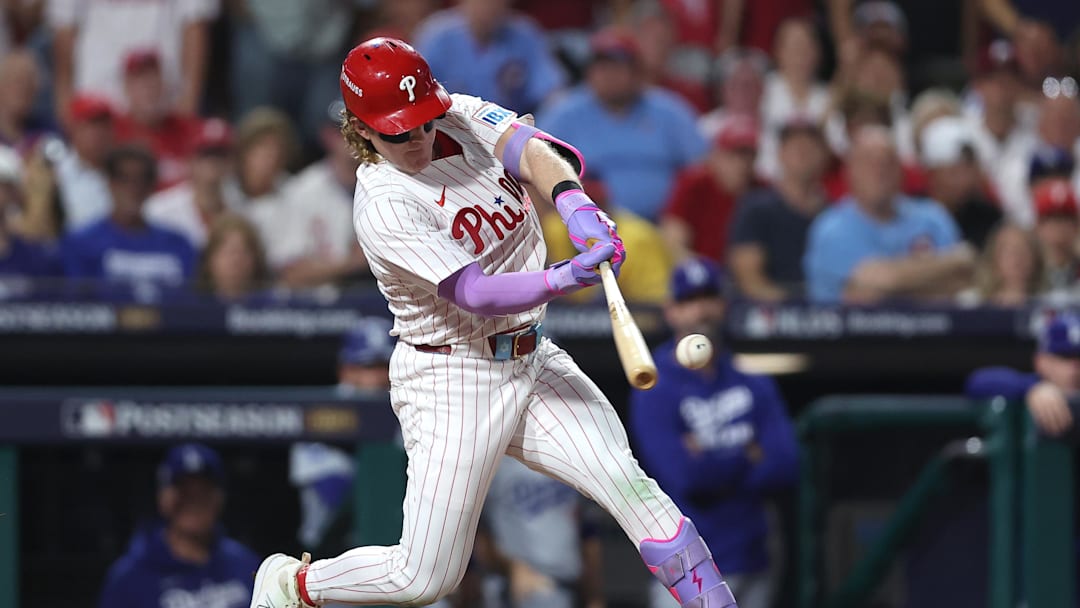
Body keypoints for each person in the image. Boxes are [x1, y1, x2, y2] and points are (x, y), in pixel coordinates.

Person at [248, 37, 739, 608]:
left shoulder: (450, 112)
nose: (417, 139)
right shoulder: (383, 201)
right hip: (453, 377)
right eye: (396, 131)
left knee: (633, 490)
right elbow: (474, 292)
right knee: (424, 579)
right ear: (360, 128)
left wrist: (573, 203)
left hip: (532, 357)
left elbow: (533, 147)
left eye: (422, 122)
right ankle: (295, 585)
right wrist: (563, 277)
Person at [630, 257, 799, 608]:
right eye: (689, 301)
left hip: (753, 558)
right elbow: (687, 476)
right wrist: (747, 452)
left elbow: (784, 465)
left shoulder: (752, 381)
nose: (700, 310)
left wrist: (711, 458)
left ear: (722, 305)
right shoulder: (653, 384)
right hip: (686, 571)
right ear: (672, 311)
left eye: (708, 297)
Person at [539, 27, 707, 222]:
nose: (609, 75)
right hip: (587, 227)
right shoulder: (564, 113)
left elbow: (703, 167)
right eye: (602, 67)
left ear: (637, 72)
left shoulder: (667, 111)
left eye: (617, 67)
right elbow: (531, 168)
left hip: (664, 229)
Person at [804, 126, 974, 303]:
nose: (879, 171)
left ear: (901, 170)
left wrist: (892, 285)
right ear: (849, 172)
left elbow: (965, 269)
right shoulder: (830, 229)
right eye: (869, 163)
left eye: (888, 162)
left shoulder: (932, 217)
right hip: (858, 330)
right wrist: (937, 275)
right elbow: (878, 283)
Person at [98, 443, 261, 608]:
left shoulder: (245, 563)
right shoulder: (129, 579)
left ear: (219, 497)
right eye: (185, 493)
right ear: (163, 498)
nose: (194, 502)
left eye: (203, 492)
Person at [62, 144, 196, 297]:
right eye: (123, 178)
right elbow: (78, 304)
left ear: (151, 186)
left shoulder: (178, 243)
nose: (133, 188)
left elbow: (190, 300)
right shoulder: (81, 243)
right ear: (109, 183)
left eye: (142, 179)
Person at [48, 0, 218, 120]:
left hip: (162, 94)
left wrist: (189, 99)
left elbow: (195, 23)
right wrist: (65, 99)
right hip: (96, 93)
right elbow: (65, 26)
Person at [477, 455, 605, 608]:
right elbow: (477, 537)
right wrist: (512, 568)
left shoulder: (567, 453)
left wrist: (594, 596)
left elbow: (588, 533)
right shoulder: (492, 459)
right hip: (520, 587)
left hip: (569, 584)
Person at [727, 119, 829, 301]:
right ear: (780, 153)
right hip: (773, 314)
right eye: (795, 147)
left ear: (823, 155)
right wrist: (795, 309)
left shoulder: (834, 213)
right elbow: (749, 278)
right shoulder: (756, 208)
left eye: (810, 147)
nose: (802, 153)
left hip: (831, 313)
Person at [275, 101, 369, 289]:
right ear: (326, 137)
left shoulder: (388, 182)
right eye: (341, 131)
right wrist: (352, 263)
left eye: (357, 128)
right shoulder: (302, 191)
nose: (350, 137)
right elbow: (290, 272)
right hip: (322, 311)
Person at [414, 0, 565, 115]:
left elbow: (550, 94)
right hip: (451, 129)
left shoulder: (524, 34)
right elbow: (417, 92)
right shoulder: (437, 36)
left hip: (508, 134)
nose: (489, 7)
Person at [543, 174, 671, 304]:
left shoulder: (639, 238)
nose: (587, 219)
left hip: (622, 310)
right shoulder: (553, 229)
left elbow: (652, 306)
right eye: (579, 210)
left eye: (594, 208)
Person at [661, 115, 760, 265]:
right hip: (699, 274)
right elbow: (673, 240)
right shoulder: (694, 184)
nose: (741, 165)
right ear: (716, 156)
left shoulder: (761, 188)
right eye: (732, 156)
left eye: (748, 157)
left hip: (743, 276)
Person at [967, 313, 1080, 438]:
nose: (1075, 366)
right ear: (1040, 362)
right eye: (1065, 357)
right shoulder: (1033, 385)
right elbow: (977, 382)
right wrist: (1032, 388)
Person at [113, 49, 204, 189]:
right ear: (127, 87)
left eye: (153, 78)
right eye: (140, 80)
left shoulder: (188, 128)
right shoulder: (114, 132)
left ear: (164, 84)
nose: (148, 86)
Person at [144, 118, 240, 249]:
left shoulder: (244, 212)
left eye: (220, 155)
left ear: (232, 163)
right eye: (206, 154)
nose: (212, 162)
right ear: (190, 161)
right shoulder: (159, 209)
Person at [919, 116, 1003, 249]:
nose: (966, 180)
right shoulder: (911, 216)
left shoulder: (989, 218)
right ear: (932, 174)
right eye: (954, 172)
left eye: (969, 169)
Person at [53, 93, 115, 233]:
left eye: (104, 125)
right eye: (91, 125)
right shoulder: (57, 173)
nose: (99, 133)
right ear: (75, 129)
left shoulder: (122, 172)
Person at [957, 222, 1046, 307]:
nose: (1017, 259)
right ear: (993, 258)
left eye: (1023, 251)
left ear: (1036, 258)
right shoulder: (969, 302)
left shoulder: (1049, 302)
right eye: (1008, 252)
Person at [194, 213, 270, 303]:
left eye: (243, 252)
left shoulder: (275, 307)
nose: (236, 260)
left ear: (256, 259)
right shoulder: (188, 308)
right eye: (228, 252)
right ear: (209, 259)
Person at [1031, 178, 1080, 294]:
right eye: (1051, 218)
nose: (1059, 226)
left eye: (1065, 218)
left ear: (1076, 225)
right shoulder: (1028, 271)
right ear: (1038, 226)